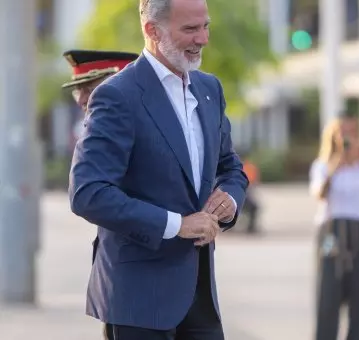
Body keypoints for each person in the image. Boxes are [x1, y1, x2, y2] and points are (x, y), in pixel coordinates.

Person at [68, 0, 249, 339]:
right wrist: (177, 224)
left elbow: (231, 167)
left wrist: (230, 199)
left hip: (200, 296)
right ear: (152, 30)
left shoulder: (210, 88)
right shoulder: (116, 95)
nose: (204, 38)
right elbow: (87, 193)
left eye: (205, 26)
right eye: (190, 29)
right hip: (138, 301)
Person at [61, 49, 139, 340]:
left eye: (90, 89)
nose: (82, 100)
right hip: (118, 280)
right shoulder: (99, 131)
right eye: (78, 91)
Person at [309, 114, 359, 340]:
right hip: (332, 229)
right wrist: (335, 165)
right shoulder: (323, 164)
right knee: (328, 294)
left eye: (353, 131)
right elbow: (319, 194)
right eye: (343, 131)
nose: (348, 137)